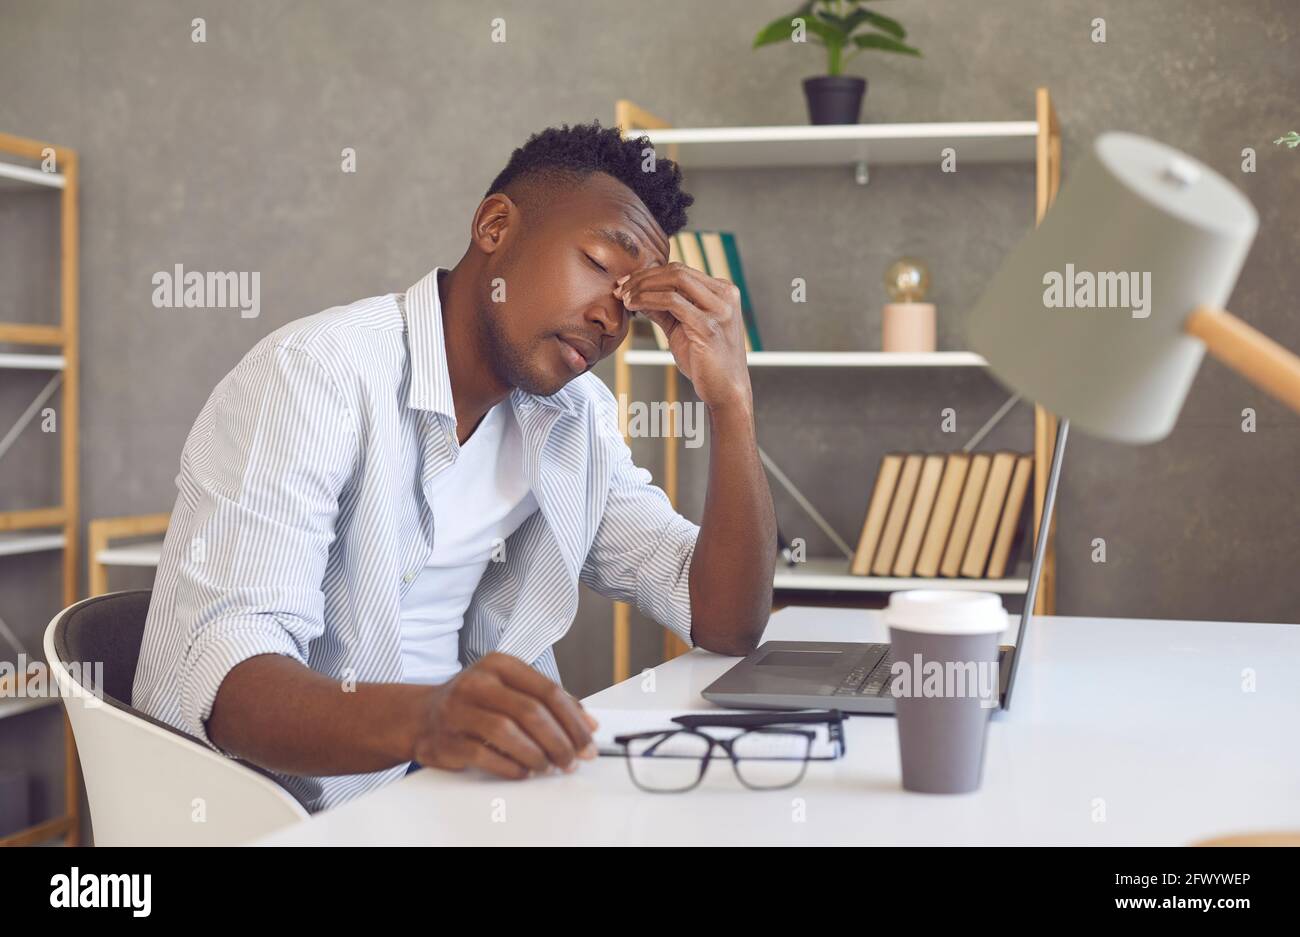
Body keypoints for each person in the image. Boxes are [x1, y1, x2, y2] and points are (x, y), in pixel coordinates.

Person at [132, 120, 777, 813]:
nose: (608, 319)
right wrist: (431, 721)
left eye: (630, 302)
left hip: (451, 797)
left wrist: (731, 400)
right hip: (278, 813)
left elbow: (723, 619)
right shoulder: (316, 376)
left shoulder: (572, 419)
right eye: (596, 262)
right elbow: (233, 687)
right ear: (495, 226)